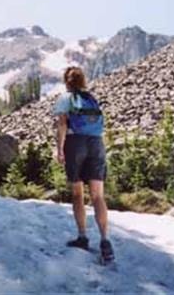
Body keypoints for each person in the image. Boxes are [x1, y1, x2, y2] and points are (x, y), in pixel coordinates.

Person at [54, 66, 114, 263]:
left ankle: (82, 236)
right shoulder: (91, 99)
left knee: (78, 193)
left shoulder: (66, 98)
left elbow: (62, 124)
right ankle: (105, 241)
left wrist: (60, 148)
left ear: (66, 81)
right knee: (98, 196)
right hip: (96, 143)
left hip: (75, 143)